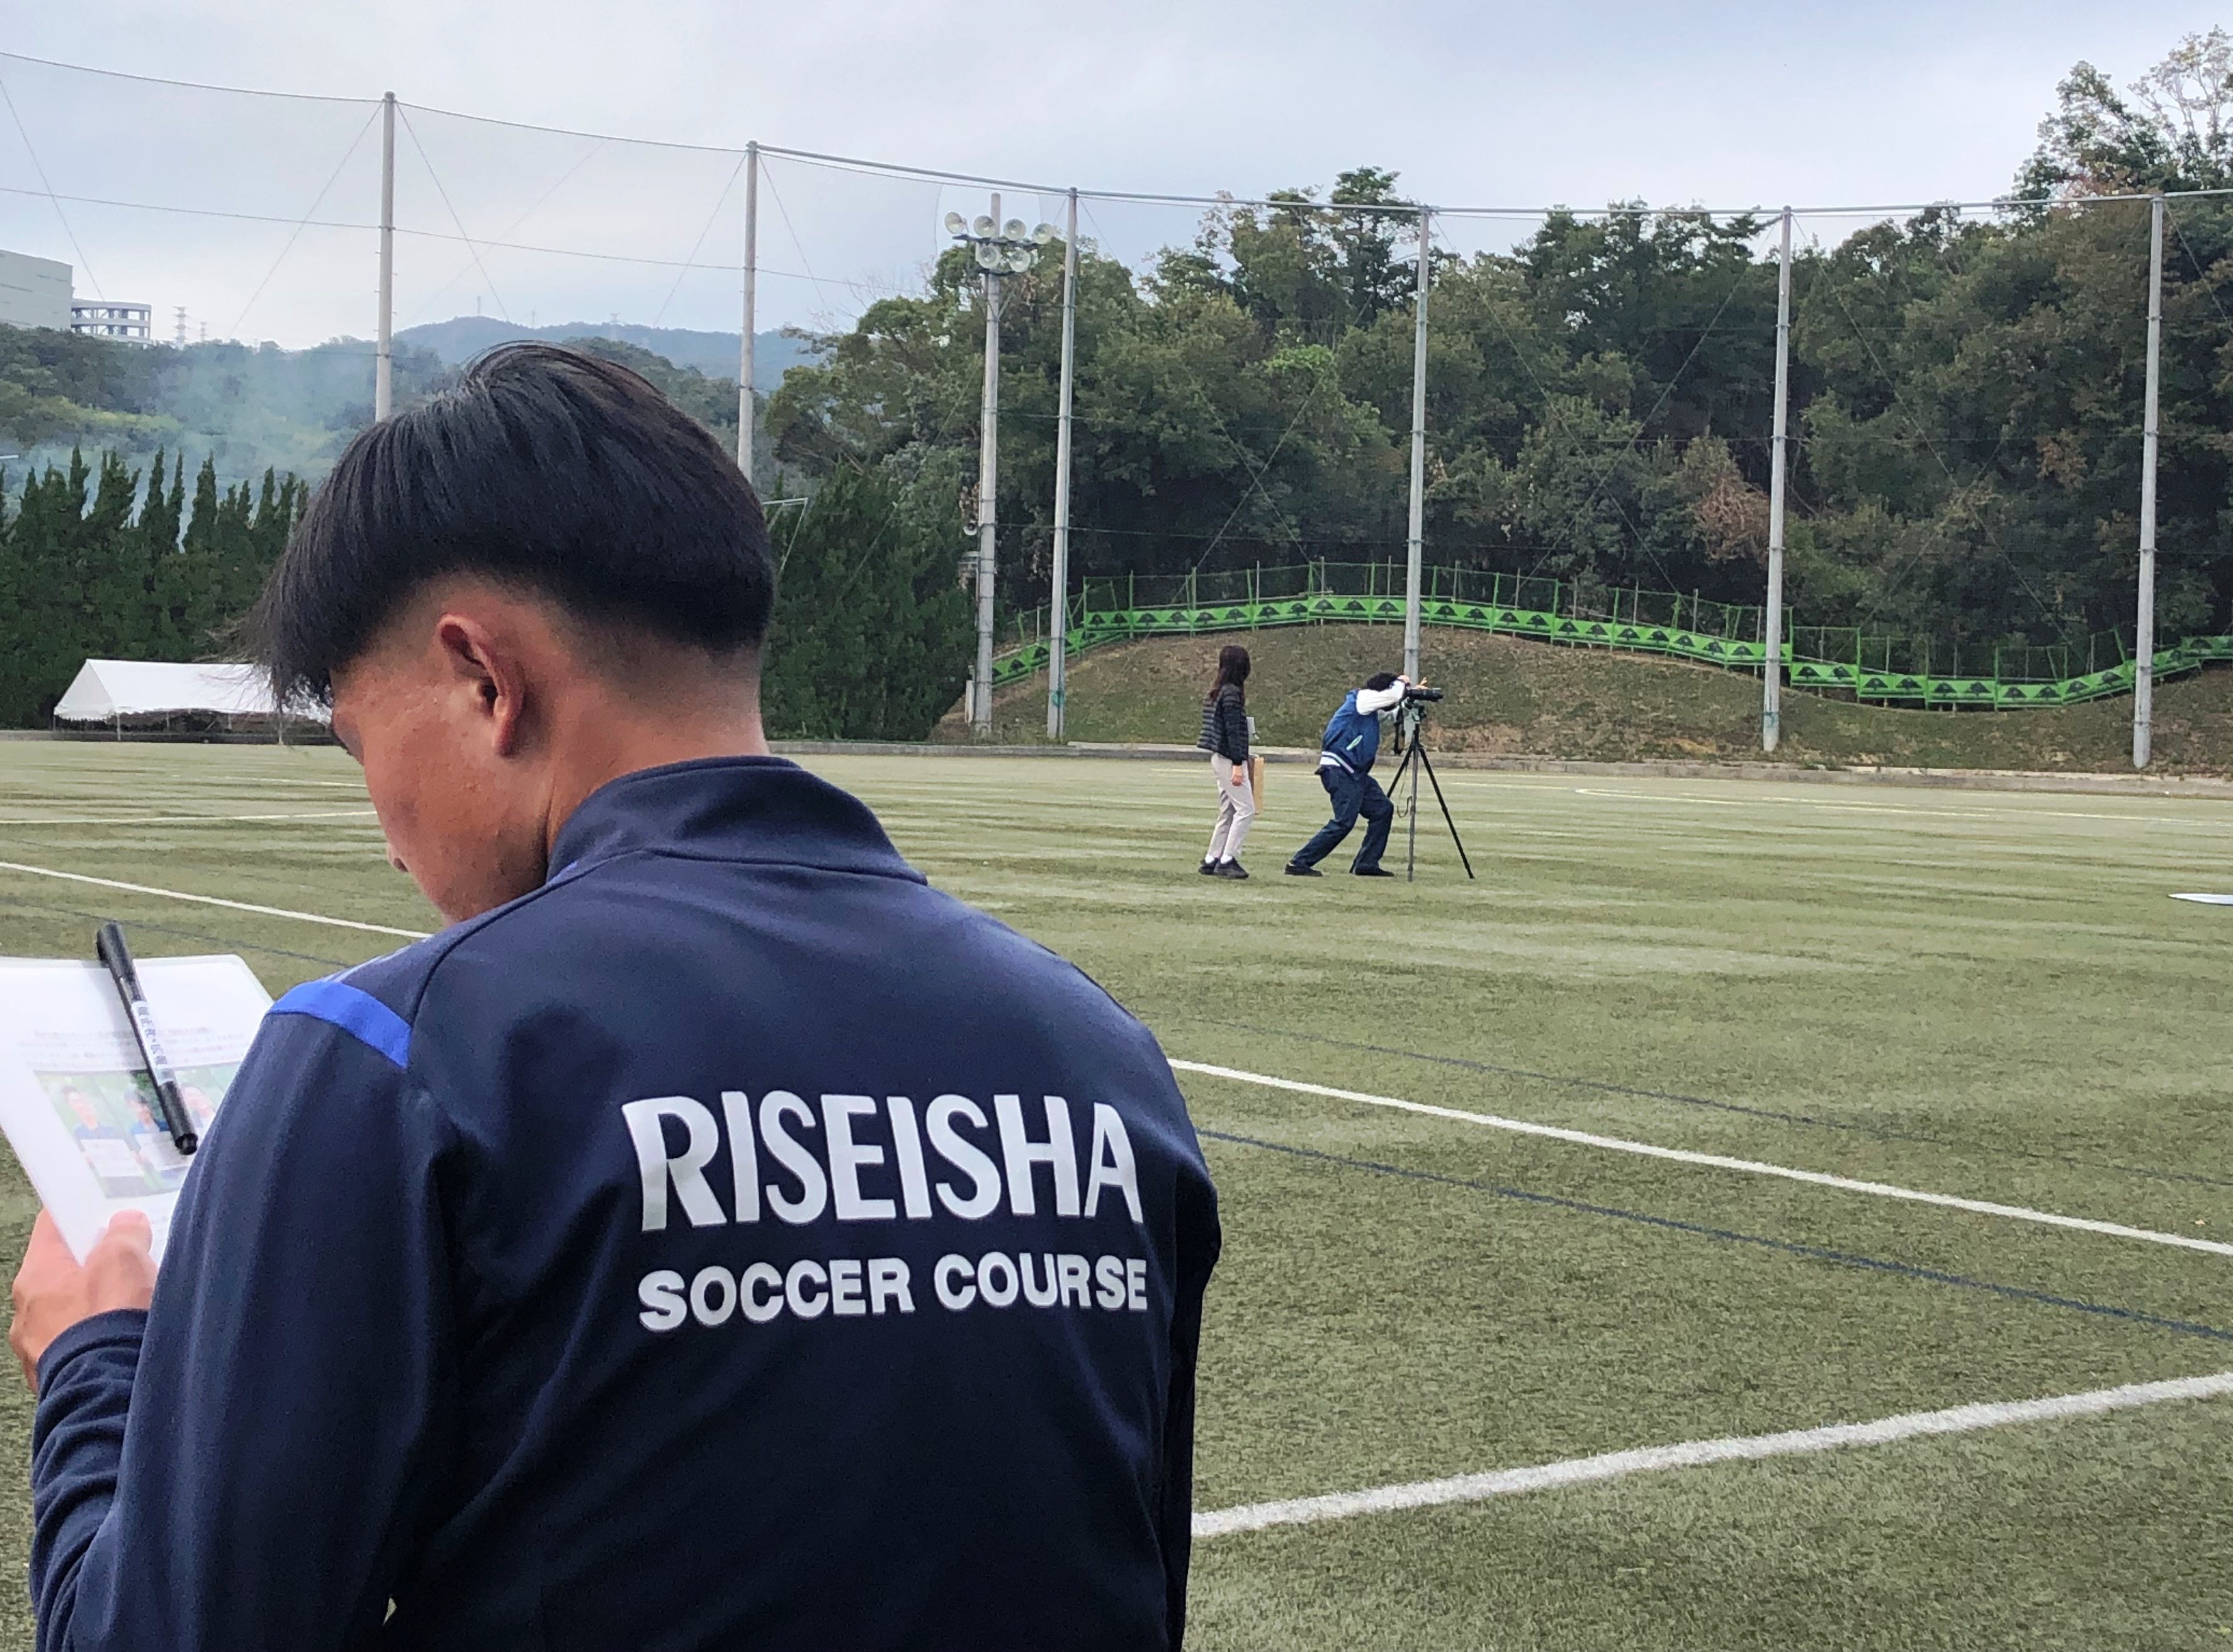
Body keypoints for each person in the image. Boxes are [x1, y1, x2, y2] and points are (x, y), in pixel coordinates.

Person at [7, 342, 1220, 1652]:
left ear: (483, 677)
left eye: (362, 742)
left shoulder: (397, 1051)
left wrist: (95, 1360)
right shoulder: (1101, 1052)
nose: (387, 832)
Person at [1286, 670, 1408, 878]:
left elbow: (1392, 709)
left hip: (1354, 772)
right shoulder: (1364, 698)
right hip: (1341, 770)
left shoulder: (1367, 708)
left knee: (1382, 809)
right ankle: (1299, 862)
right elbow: (1393, 696)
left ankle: (1367, 863)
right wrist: (1402, 682)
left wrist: (1409, 698)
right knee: (1344, 822)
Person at [1196, 643, 1257, 879]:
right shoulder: (1231, 694)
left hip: (1219, 757)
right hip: (1229, 759)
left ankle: (1212, 857)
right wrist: (1238, 764)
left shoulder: (1217, 690)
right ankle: (1227, 859)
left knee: (1229, 810)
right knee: (1246, 810)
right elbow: (1233, 732)